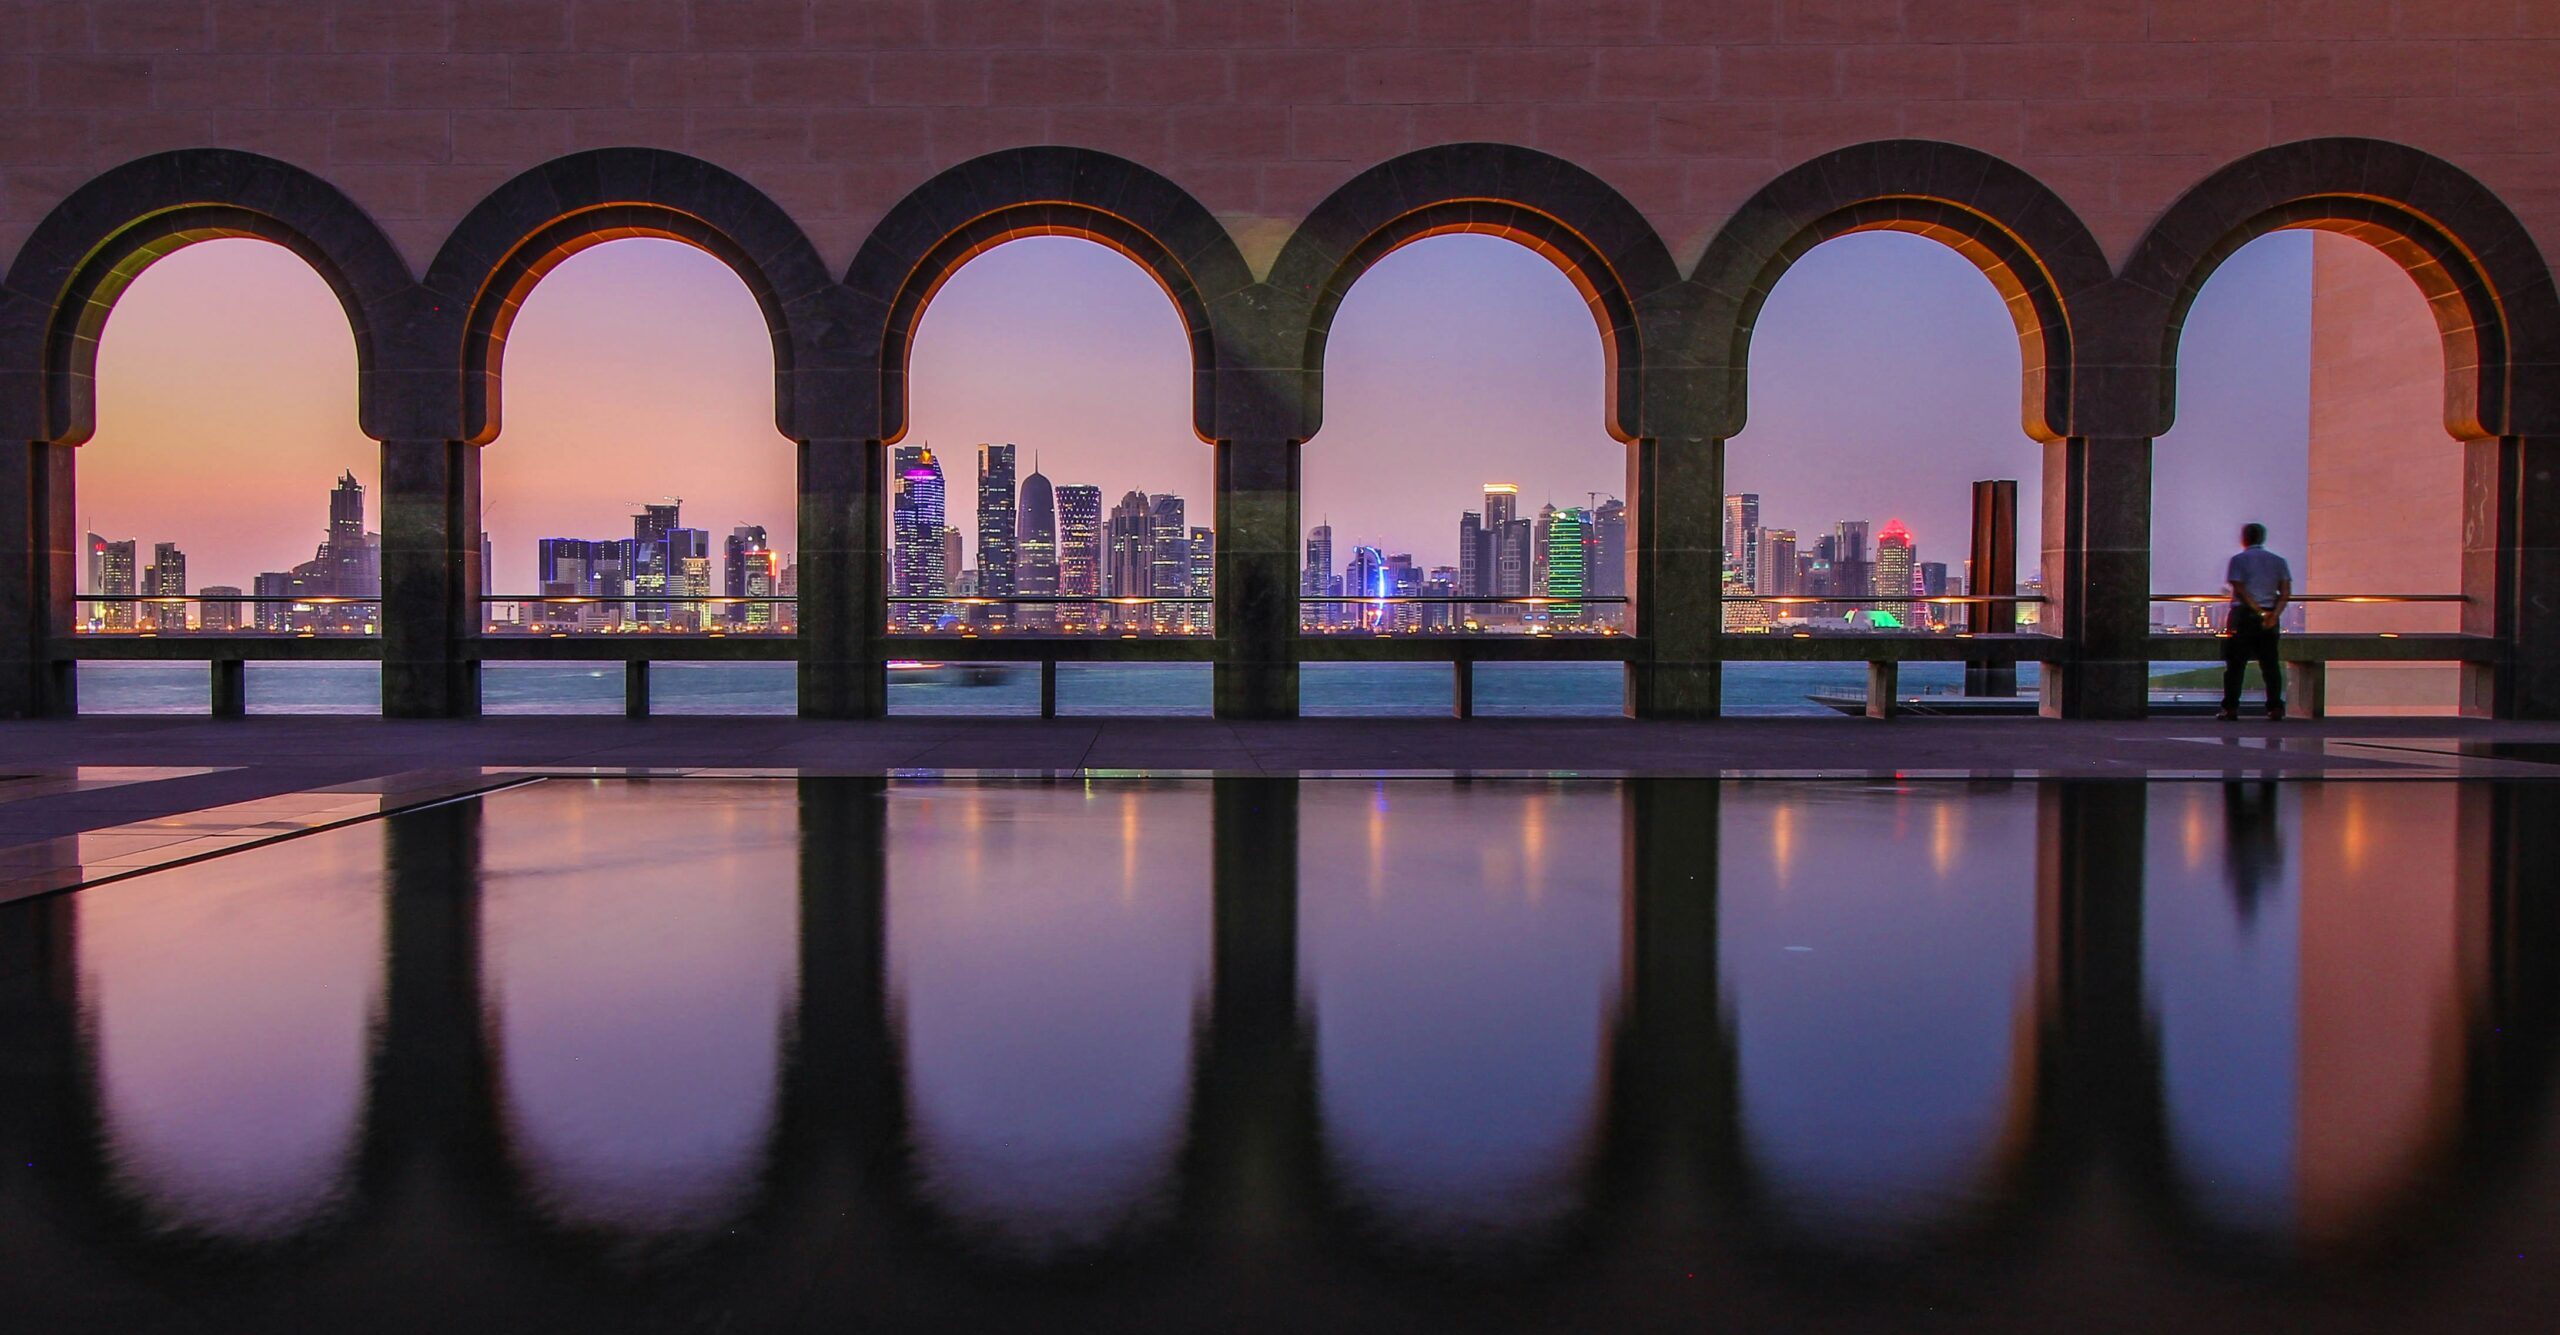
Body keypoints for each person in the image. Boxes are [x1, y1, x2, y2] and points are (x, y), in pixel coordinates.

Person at [2219, 522, 2292, 721]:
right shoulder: (2278, 561)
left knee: (2235, 664)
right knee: (2270, 664)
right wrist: (2273, 615)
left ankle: (2231, 708)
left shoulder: (2238, 560)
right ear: (2263, 538)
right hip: (2270, 616)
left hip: (2243, 617)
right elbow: (2285, 593)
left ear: (2244, 538)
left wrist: (2258, 612)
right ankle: (2275, 707)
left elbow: (2240, 590)